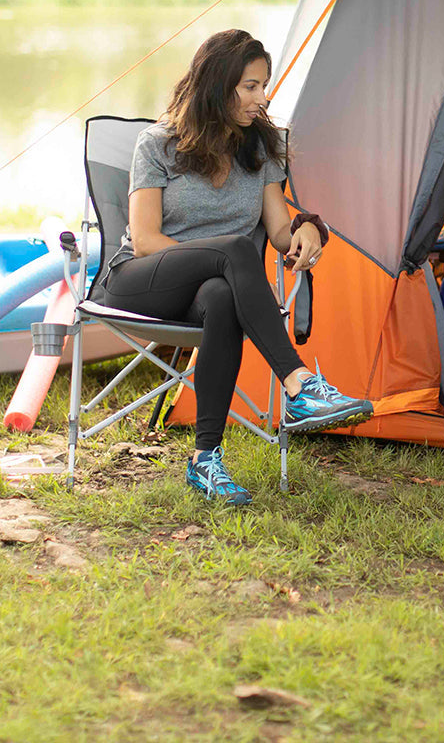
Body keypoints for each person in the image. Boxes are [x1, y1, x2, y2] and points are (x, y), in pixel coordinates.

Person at [102, 28, 373, 505]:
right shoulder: (158, 145)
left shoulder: (261, 148)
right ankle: (298, 383)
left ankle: (204, 461)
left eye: (263, 86)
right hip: (143, 281)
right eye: (251, 86)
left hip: (211, 293)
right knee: (234, 252)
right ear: (217, 84)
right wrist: (219, 256)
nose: (261, 97)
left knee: (224, 295)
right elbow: (144, 240)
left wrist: (311, 229)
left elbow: (281, 233)